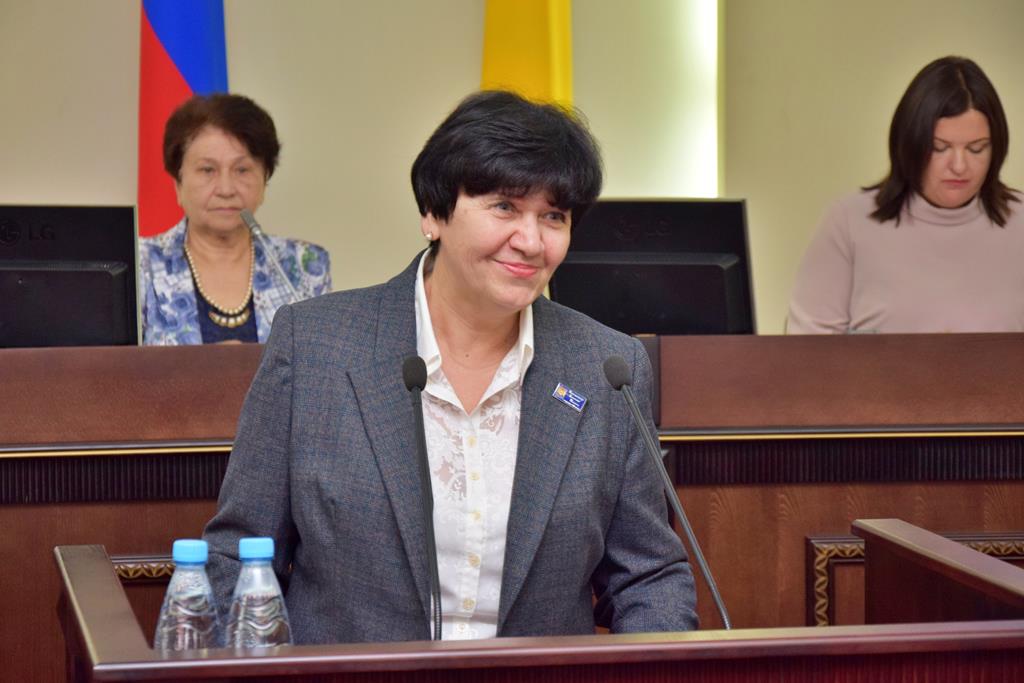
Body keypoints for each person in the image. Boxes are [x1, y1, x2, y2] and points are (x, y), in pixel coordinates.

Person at [202, 91, 699, 644]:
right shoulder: (316, 346)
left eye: (553, 216)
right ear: (433, 214)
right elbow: (237, 560)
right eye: (504, 207)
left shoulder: (605, 368)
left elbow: (648, 577)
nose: (530, 241)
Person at [787, 56, 1024, 334]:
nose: (959, 166)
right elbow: (808, 346)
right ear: (910, 144)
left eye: (976, 148)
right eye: (939, 148)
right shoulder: (849, 222)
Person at [139, 94, 331, 345]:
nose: (226, 189)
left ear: (265, 180)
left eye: (242, 170)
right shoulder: (140, 265)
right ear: (178, 182)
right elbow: (115, 366)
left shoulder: (302, 264)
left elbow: (321, 363)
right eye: (207, 170)